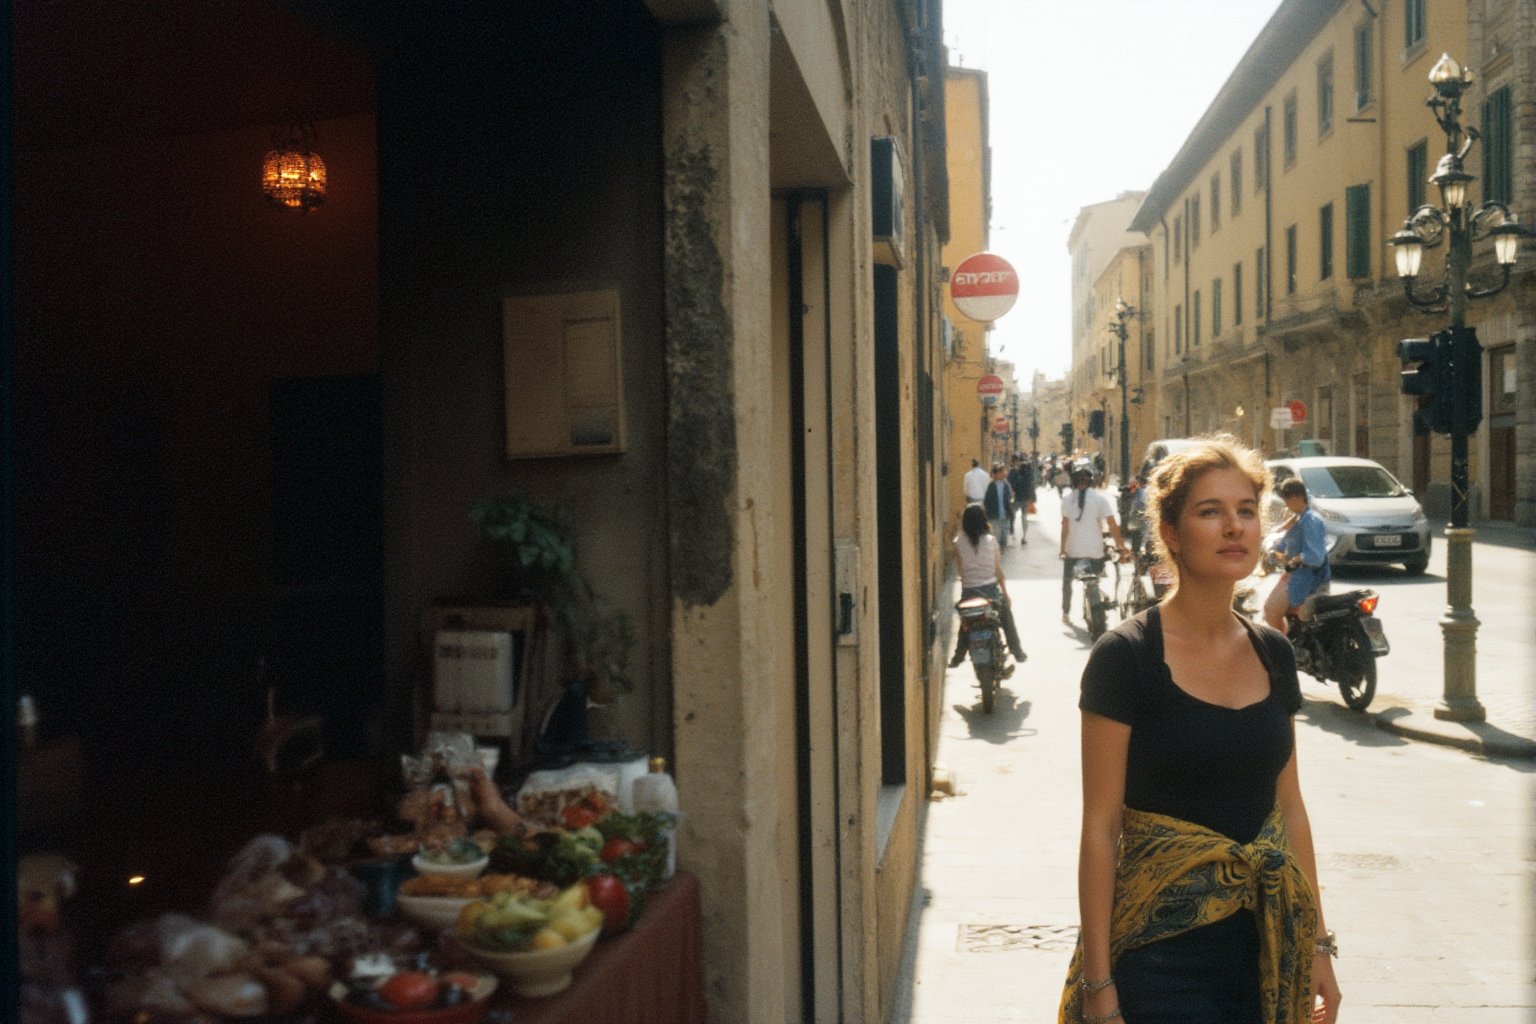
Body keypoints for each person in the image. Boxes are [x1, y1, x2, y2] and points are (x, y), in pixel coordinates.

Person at [1060, 437, 1340, 1024]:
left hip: (1265, 949)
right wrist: (1098, 982)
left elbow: (1289, 808)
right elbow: (1101, 826)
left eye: (1245, 510)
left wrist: (1317, 944)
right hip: (1157, 962)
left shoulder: (1273, 653)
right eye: (1210, 512)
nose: (1234, 527)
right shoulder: (1126, 656)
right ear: (1172, 532)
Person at [949, 503, 1026, 667]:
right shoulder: (991, 541)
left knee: (966, 623)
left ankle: (958, 656)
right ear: (984, 520)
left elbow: (961, 572)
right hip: (990, 591)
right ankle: (1016, 650)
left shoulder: (958, 543)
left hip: (969, 592)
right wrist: (1005, 594)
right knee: (1006, 616)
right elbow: (998, 571)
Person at [1060, 466, 1130, 626]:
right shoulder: (1100, 499)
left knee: (1067, 581)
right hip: (1095, 551)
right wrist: (1121, 546)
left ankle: (1065, 612)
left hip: (1073, 551)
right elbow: (1112, 524)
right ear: (1090, 482)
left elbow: (1065, 526)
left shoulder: (1066, 500)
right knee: (1096, 578)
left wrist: (1062, 549)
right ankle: (1098, 601)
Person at [1263, 478, 1332, 634]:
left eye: (1286, 500)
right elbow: (1285, 541)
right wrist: (1274, 551)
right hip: (1298, 576)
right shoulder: (1299, 518)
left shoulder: (1310, 520)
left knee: (1271, 612)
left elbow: (1316, 556)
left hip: (1309, 579)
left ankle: (1284, 648)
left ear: (1295, 498)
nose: (1285, 504)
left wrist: (1297, 558)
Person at [983, 463, 1015, 548]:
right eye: (1001, 472)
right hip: (994, 515)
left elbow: (1010, 498)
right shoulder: (991, 485)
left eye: (1004, 472)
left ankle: (1002, 551)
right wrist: (988, 513)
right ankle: (997, 554)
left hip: (1005, 514)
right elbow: (987, 501)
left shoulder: (1006, 485)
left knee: (1004, 536)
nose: (1004, 474)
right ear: (996, 474)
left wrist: (1010, 509)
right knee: (996, 537)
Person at [1009, 455, 1037, 544]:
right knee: (1024, 517)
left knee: (1013, 516)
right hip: (1025, 498)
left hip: (1016, 498)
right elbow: (1032, 484)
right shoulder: (1028, 471)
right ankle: (1024, 537)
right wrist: (1032, 497)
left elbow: (1010, 483)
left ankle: (1013, 535)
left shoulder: (1013, 471)